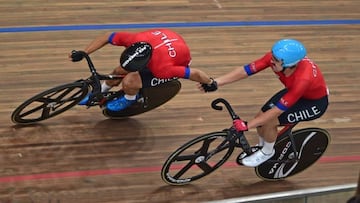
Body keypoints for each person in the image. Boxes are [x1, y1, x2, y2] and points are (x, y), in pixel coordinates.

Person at [210, 39, 329, 167]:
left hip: (314, 103)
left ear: (290, 65)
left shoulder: (303, 79)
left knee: (269, 121)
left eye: (276, 60)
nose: (271, 60)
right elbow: (246, 70)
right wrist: (216, 82)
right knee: (260, 117)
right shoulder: (277, 59)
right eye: (272, 56)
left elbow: (276, 111)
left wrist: (246, 125)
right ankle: (263, 146)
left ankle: (267, 152)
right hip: (295, 92)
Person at [69, 29, 218, 111]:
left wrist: (210, 82)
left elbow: (194, 73)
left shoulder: (162, 68)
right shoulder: (135, 39)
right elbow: (107, 36)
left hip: (175, 60)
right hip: (165, 43)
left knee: (129, 81)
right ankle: (101, 91)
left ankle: (130, 98)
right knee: (118, 71)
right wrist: (85, 52)